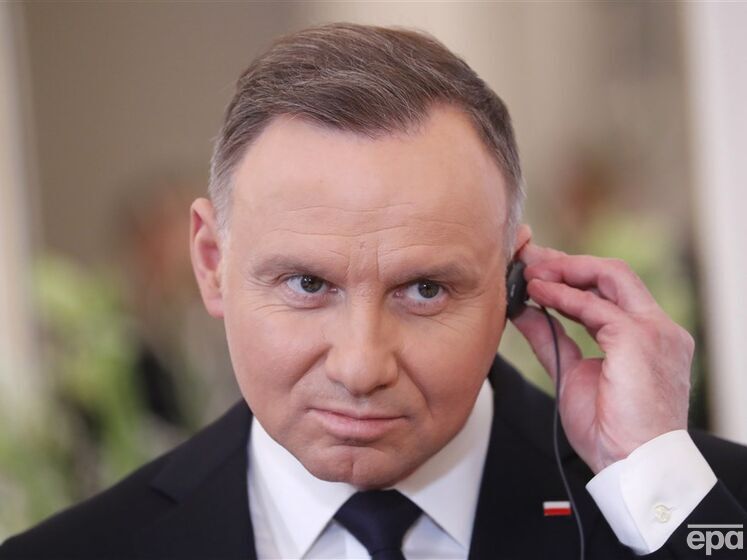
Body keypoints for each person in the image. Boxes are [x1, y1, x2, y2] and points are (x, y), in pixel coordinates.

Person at [2, 22, 746, 560]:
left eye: (424, 289)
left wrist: (654, 478)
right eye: (306, 284)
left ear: (513, 283)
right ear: (210, 263)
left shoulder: (699, 506)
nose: (361, 367)